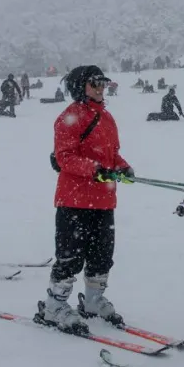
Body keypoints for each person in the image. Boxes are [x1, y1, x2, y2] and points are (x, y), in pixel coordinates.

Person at [37, 65, 133, 332]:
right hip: (74, 200)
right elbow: (64, 157)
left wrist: (123, 167)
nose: (101, 88)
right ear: (81, 86)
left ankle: (93, 300)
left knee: (102, 255)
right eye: (94, 83)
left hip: (104, 200)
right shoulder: (70, 117)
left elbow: (112, 155)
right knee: (70, 257)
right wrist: (94, 169)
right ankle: (55, 305)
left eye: (103, 82)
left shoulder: (107, 118)